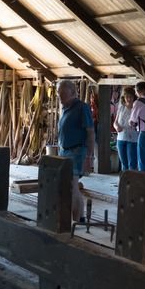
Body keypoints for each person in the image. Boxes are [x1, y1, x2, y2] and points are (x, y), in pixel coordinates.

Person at [56, 79, 95, 222]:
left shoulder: (82, 107)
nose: (60, 97)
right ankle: (78, 218)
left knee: (72, 186)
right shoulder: (65, 108)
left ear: (73, 93)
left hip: (77, 152)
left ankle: (77, 219)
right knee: (68, 186)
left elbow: (90, 132)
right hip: (64, 151)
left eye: (63, 94)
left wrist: (89, 158)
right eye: (58, 94)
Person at [113, 86, 138, 171]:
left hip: (133, 138)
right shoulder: (121, 108)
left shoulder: (136, 108)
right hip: (121, 138)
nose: (128, 99)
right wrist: (116, 127)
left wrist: (135, 125)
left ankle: (132, 183)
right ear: (124, 97)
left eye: (130, 97)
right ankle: (124, 183)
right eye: (127, 97)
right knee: (124, 164)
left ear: (134, 97)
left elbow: (141, 124)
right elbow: (115, 122)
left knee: (132, 164)